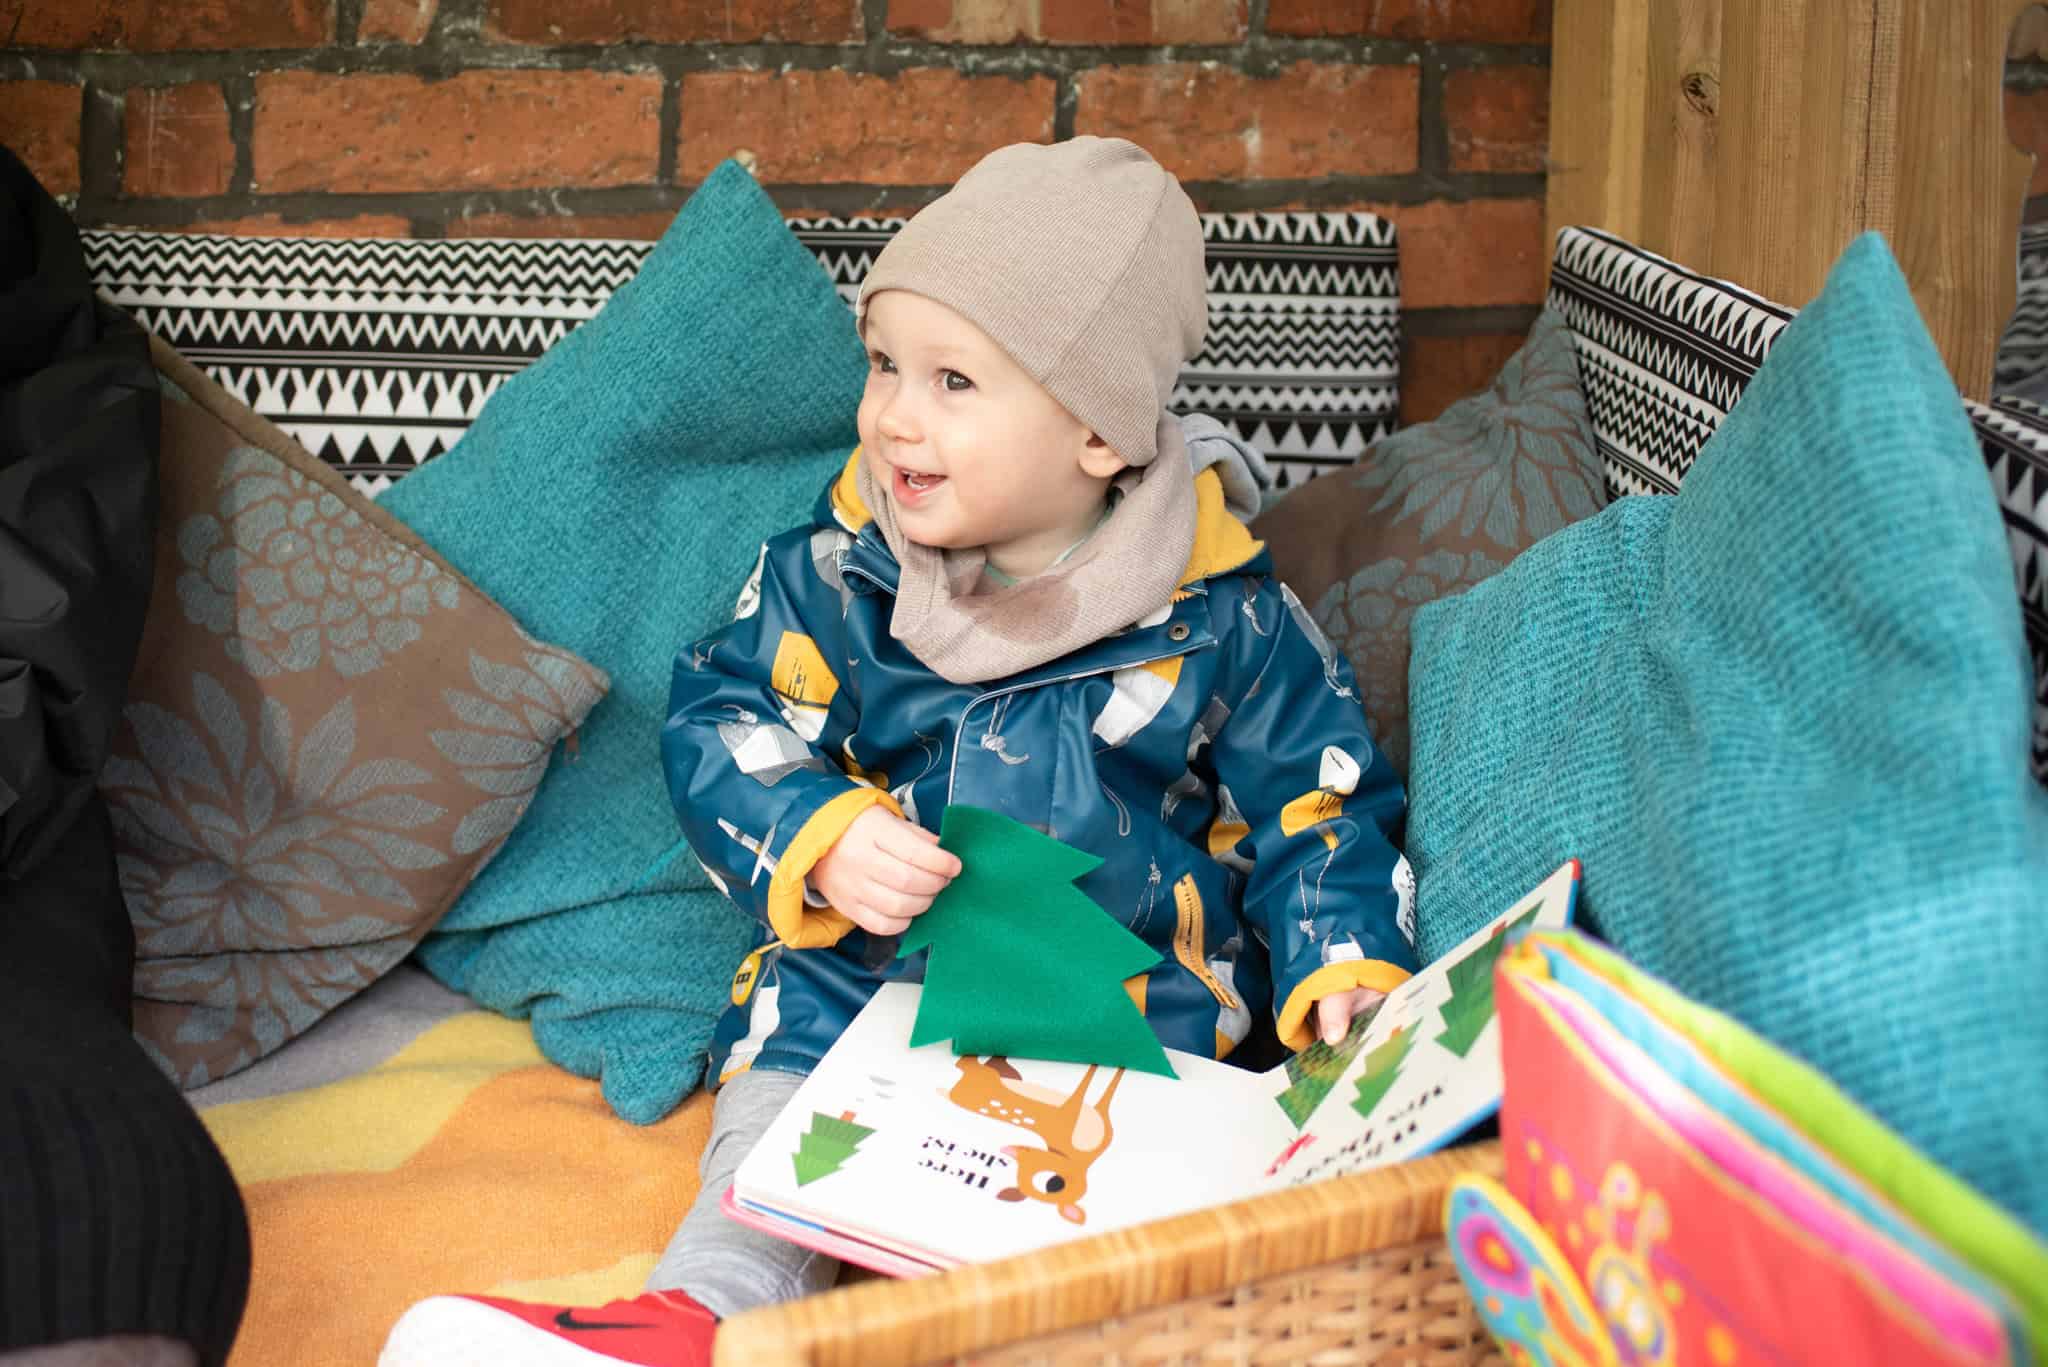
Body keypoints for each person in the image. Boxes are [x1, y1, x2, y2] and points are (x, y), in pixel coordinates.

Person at [379, 136, 1415, 1367]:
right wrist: (819, 832)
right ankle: (703, 1313)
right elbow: (719, 712)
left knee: (1097, 1241)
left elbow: (1319, 804)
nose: (892, 415)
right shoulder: (829, 573)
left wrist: (1345, 965)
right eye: (882, 363)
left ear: (1096, 433)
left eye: (953, 382)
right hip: (877, 984)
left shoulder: (1228, 617)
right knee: (790, 1033)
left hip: (1133, 1024)